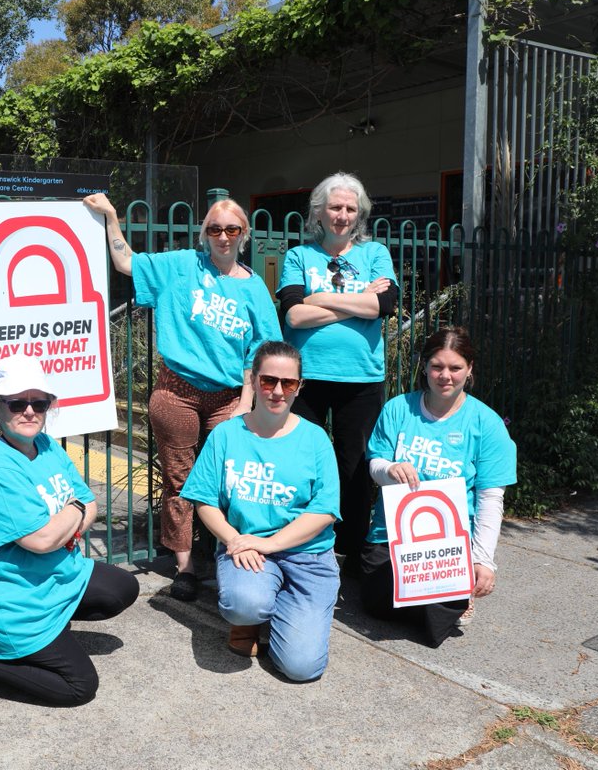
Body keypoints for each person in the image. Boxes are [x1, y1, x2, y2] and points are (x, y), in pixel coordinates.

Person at [82, 192, 281, 602]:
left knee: (231, 482)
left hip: (230, 396)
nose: (223, 236)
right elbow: (125, 261)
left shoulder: (256, 288)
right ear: (203, 233)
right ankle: (186, 568)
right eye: (214, 229)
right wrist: (111, 217)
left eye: (231, 229)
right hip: (176, 390)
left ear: (243, 234)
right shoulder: (179, 266)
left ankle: (233, 556)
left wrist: (246, 402)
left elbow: (261, 350)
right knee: (181, 482)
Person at [0, 355, 139, 706]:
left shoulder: (44, 444)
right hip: (8, 597)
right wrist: (71, 512)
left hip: (51, 573)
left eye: (39, 402)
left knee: (123, 588)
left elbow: (91, 503)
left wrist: (66, 523)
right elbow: (43, 539)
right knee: (78, 687)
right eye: (17, 402)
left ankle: (45, 633)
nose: (29, 411)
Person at [182, 341, 341, 680]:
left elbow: (325, 511)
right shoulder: (226, 435)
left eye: (289, 383)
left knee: (301, 669)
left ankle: (282, 613)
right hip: (246, 549)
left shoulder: (315, 440)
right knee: (245, 604)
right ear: (253, 380)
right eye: (268, 381)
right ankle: (253, 619)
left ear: (300, 387)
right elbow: (205, 501)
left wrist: (270, 544)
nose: (277, 391)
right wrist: (235, 539)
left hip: (307, 555)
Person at [359, 327, 517, 647]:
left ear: (469, 370)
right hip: (390, 536)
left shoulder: (486, 424)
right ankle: (440, 597)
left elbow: (489, 499)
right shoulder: (398, 408)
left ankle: (452, 594)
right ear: (425, 367)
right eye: (437, 366)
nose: (445, 376)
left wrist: (482, 560)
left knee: (436, 617)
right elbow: (374, 465)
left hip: (447, 546)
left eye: (455, 367)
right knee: (376, 606)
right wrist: (390, 468)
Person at [276, 172, 398, 577]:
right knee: (305, 461)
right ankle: (302, 543)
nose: (342, 215)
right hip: (308, 376)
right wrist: (360, 299)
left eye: (349, 208)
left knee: (355, 466)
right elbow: (293, 313)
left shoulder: (375, 253)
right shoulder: (299, 256)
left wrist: (322, 299)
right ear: (318, 212)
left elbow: (386, 306)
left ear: (358, 213)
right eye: (334, 207)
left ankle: (349, 551)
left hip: (361, 378)